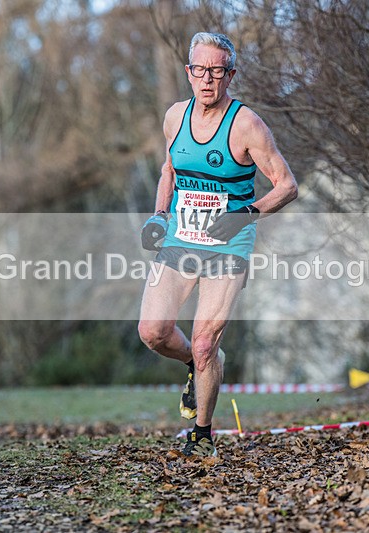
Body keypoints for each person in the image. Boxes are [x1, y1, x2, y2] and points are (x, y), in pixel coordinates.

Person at [137, 32, 298, 457]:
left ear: (230, 75)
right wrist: (159, 214)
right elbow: (169, 170)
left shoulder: (247, 125)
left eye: (217, 71)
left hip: (229, 245)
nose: (207, 79)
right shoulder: (175, 117)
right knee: (153, 332)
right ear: (188, 72)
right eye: (200, 70)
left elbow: (287, 185)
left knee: (207, 341)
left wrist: (246, 214)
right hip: (180, 237)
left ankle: (202, 436)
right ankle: (196, 364)